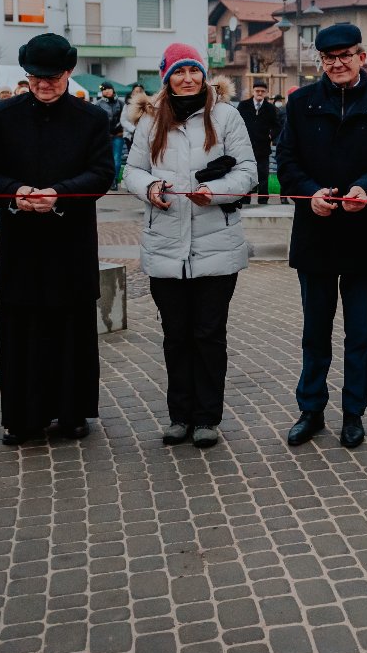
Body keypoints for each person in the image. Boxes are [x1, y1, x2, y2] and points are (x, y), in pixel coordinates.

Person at [0, 33, 115, 445]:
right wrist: (15, 193)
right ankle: (23, 417)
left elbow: (102, 173)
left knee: (70, 330)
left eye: (51, 77)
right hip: (22, 244)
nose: (43, 84)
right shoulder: (2, 115)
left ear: (68, 73)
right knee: (23, 332)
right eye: (34, 77)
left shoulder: (92, 119)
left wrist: (60, 194)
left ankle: (73, 413)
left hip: (70, 243)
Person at [276, 23, 367, 449]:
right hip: (315, 231)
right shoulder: (300, 103)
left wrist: (366, 188)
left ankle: (354, 413)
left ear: (361, 57)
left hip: (364, 233)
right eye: (329, 58)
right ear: (322, 61)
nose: (337, 63)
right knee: (315, 330)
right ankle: (310, 409)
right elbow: (287, 161)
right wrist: (308, 193)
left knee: (360, 331)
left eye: (345, 55)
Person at [124, 45, 256, 449]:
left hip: (217, 243)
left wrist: (212, 192)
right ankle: (179, 415)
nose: (187, 78)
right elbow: (131, 170)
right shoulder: (150, 121)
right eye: (178, 72)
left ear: (203, 74)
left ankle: (206, 418)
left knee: (209, 334)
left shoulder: (227, 116)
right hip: (166, 243)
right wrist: (150, 188)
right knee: (175, 335)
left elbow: (248, 171)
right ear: (167, 78)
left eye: (193, 71)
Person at [236, 79, 281, 205]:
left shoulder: (270, 108)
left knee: (263, 175)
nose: (259, 93)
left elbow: (277, 126)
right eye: (257, 91)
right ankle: (245, 199)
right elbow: (236, 123)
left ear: (266, 92)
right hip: (245, 147)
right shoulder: (243, 105)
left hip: (263, 147)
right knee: (245, 173)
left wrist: (271, 136)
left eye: (262, 91)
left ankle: (262, 199)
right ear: (253, 91)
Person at [93, 83, 126, 186]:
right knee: (104, 158)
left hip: (118, 135)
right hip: (105, 136)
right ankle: (104, 179)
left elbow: (125, 118)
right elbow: (96, 120)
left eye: (108, 89)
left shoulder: (121, 103)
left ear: (113, 89)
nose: (106, 91)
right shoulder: (98, 104)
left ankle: (114, 180)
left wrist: (121, 130)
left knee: (117, 158)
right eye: (104, 89)